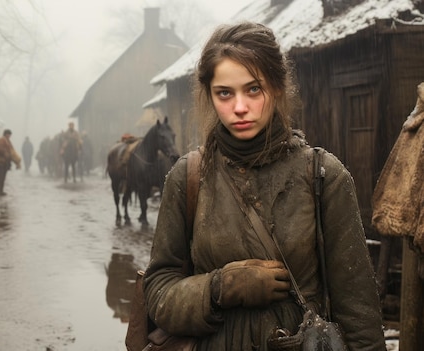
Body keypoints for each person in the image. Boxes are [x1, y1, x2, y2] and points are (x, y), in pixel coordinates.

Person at [142, 22, 385, 350]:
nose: (239, 107)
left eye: (253, 89)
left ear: (277, 87)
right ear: (210, 95)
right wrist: (219, 288)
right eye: (224, 93)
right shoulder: (189, 178)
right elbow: (157, 294)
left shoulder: (323, 176)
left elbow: (359, 316)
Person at [0, 129, 21, 196]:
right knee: (1, 176)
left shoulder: (7, 141)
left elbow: (11, 151)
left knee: (3, 177)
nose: (9, 136)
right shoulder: (2, 140)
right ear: (6, 134)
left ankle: (0, 190)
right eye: (9, 134)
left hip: (4, 162)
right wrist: (7, 154)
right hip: (0, 161)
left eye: (10, 135)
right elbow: (0, 149)